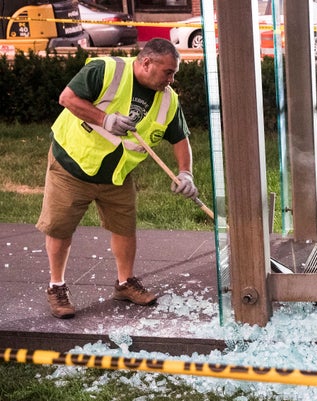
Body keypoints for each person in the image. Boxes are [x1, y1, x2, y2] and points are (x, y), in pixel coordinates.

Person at [36, 38, 198, 319]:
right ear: (146, 62)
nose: (171, 80)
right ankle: (56, 286)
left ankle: (125, 283)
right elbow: (67, 99)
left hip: (117, 174)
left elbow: (180, 138)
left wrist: (186, 172)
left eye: (174, 74)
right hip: (72, 164)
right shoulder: (105, 70)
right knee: (60, 227)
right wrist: (105, 119)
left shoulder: (168, 99)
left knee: (124, 227)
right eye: (168, 72)